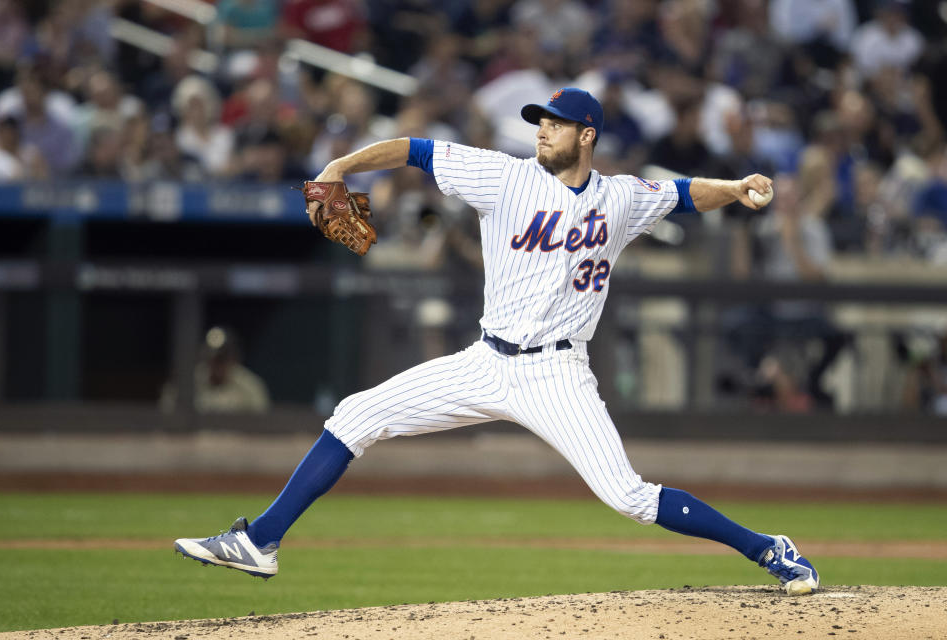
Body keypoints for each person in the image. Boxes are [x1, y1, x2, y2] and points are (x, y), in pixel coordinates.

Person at [174, 88, 819, 595]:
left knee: (628, 496)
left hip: (559, 377)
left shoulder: (620, 199)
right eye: (539, 120)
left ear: (585, 136)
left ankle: (767, 547)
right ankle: (260, 540)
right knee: (356, 414)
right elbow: (413, 148)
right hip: (486, 362)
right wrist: (341, 164)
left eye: (555, 123)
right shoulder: (503, 177)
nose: (542, 129)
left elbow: (680, 194)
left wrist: (733, 190)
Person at [160, 326, 270, 414]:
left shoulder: (250, 386)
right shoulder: (186, 383)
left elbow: (262, 424)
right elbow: (167, 415)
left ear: (234, 358)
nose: (217, 364)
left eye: (223, 358)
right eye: (213, 358)